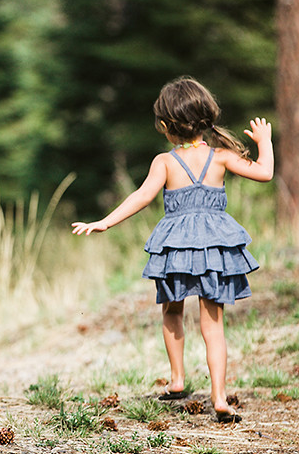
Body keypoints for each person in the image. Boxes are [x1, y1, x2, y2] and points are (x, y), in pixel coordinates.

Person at [71, 76, 274, 424]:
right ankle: (220, 398)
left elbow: (141, 197)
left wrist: (105, 221)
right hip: (214, 249)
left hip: (176, 248)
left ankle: (177, 379)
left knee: (172, 311)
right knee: (214, 325)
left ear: (166, 126)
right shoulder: (221, 157)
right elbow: (265, 172)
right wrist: (265, 142)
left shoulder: (164, 162)